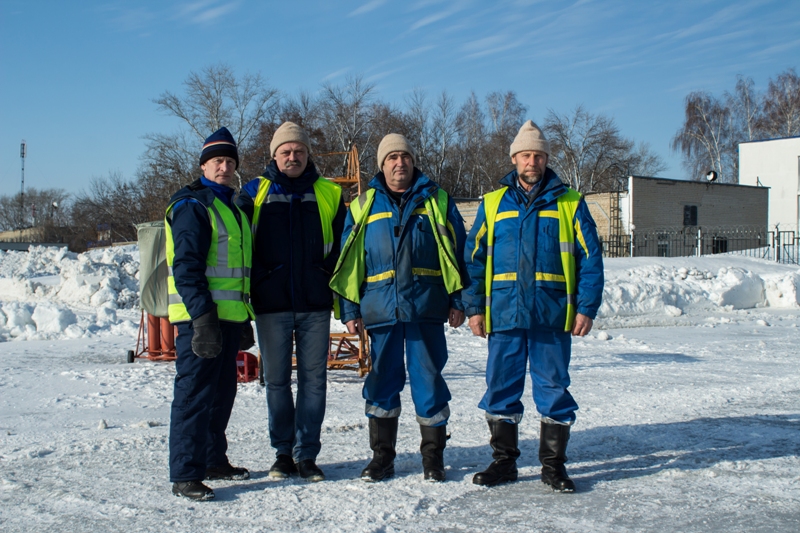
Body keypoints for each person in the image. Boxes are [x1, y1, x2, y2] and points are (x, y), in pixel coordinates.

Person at [463, 120, 604, 492]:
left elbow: (590, 259)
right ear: (514, 158)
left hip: (552, 314)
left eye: (539, 155)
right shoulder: (492, 204)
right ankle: (503, 462)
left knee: (554, 389)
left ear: (546, 160)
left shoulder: (570, 203)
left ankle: (553, 467)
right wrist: (474, 308)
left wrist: (586, 307)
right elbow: (473, 261)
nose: (532, 161)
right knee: (500, 389)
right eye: (526, 155)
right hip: (505, 314)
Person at [330, 133, 467, 482]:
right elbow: (348, 262)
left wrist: (459, 300)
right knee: (382, 383)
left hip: (426, 309)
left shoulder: (437, 200)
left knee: (429, 381)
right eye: (391, 157)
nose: (399, 163)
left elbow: (459, 253)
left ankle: (433, 459)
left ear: (412, 160)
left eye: (404, 156)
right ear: (382, 164)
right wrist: (349, 310)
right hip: (381, 311)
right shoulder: (363, 205)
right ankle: (382, 458)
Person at [237, 122, 346, 482]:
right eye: (286, 151)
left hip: (315, 302)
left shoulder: (328, 192)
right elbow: (235, 239)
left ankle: (307, 455)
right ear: (274, 156)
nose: (293, 156)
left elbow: (344, 245)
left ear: (307, 154)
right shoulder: (254, 192)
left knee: (315, 381)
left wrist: (323, 273)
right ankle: (283, 453)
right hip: (272, 303)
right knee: (277, 382)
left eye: (299, 151)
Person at [166, 127, 255, 501]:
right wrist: (202, 318)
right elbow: (186, 267)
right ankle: (186, 473)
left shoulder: (232, 207)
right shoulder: (193, 205)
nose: (225, 167)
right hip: (200, 320)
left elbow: (237, 269)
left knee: (222, 393)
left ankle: (213, 460)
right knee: (193, 394)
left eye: (230, 161)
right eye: (217, 161)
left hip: (230, 320)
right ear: (203, 165)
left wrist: (243, 318)